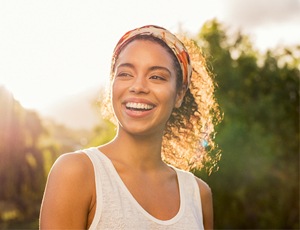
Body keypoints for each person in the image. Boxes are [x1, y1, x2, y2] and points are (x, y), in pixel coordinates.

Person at [39, 25, 221, 229]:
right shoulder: (76, 173)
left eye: (156, 77)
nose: (138, 87)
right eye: (125, 74)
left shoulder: (198, 194)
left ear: (179, 94)